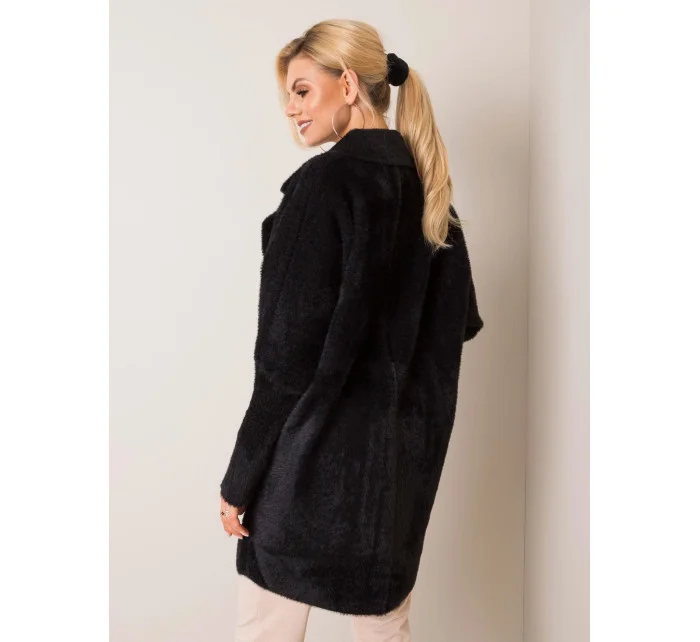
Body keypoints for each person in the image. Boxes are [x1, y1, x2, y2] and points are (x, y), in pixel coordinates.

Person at [219, 19, 484, 642]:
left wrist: (241, 478)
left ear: (347, 85)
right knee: (386, 630)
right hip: (397, 484)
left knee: (266, 630)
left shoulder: (322, 188)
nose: (291, 109)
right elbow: (457, 327)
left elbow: (283, 360)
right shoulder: (432, 196)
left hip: (306, 472)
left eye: (302, 91)